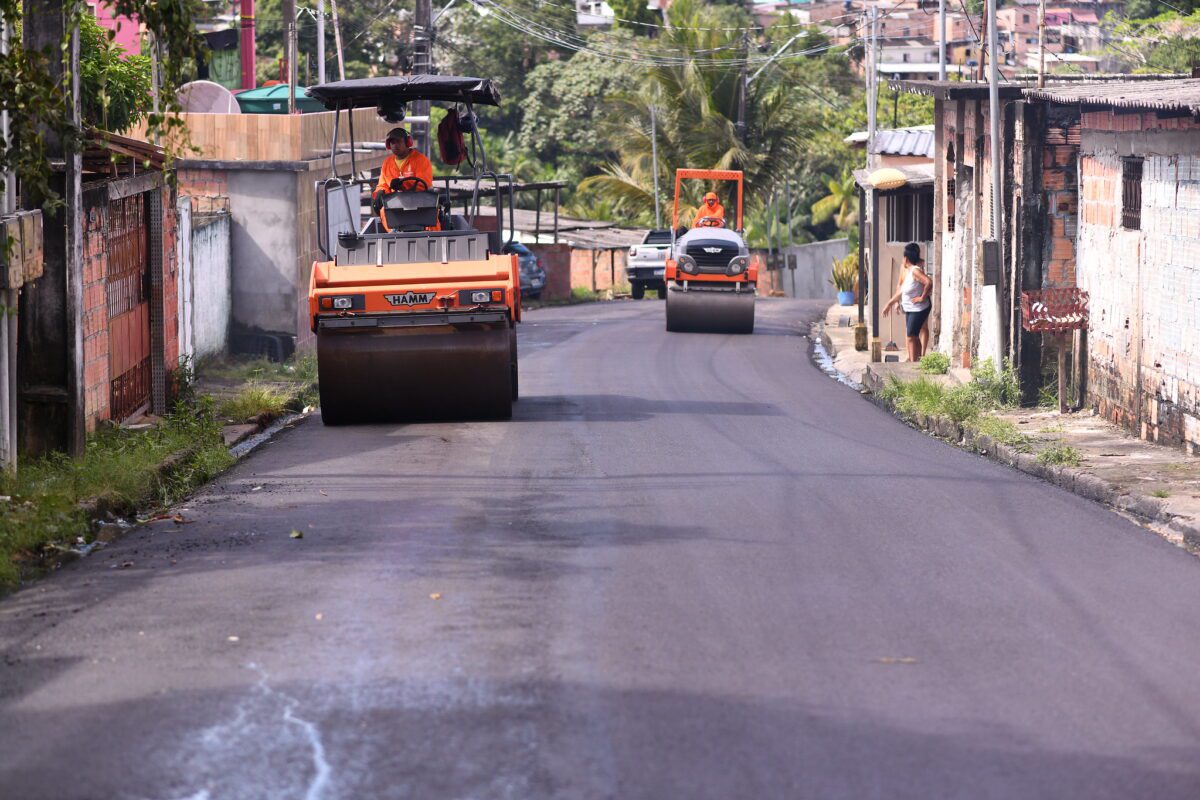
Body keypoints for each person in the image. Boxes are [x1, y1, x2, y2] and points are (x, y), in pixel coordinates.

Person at [882, 242, 933, 362]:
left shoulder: (915, 271)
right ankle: (918, 360)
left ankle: (913, 362)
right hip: (910, 309)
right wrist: (889, 304)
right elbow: (900, 291)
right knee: (913, 336)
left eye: (903, 257)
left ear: (906, 258)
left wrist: (922, 297)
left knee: (911, 336)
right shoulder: (909, 272)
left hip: (918, 309)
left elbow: (928, 282)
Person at [372, 127, 435, 213]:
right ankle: (393, 227)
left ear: (407, 143)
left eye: (398, 142)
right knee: (384, 211)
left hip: (419, 205)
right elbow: (383, 184)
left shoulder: (421, 160)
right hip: (395, 205)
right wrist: (380, 192)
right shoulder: (387, 163)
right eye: (392, 143)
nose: (395, 145)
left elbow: (424, 185)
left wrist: (402, 184)